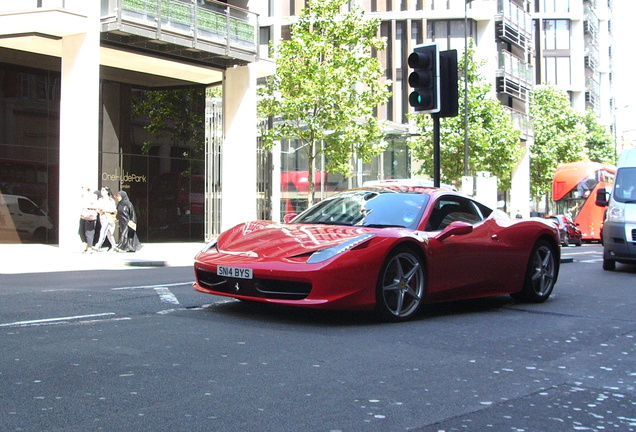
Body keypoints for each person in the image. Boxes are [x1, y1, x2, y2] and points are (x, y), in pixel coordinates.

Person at [94, 186, 117, 251]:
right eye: (101, 190)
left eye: (103, 190)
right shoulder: (100, 200)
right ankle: (114, 246)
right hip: (102, 217)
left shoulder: (110, 200)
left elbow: (113, 209)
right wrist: (99, 211)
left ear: (107, 192)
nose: (102, 192)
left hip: (108, 217)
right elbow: (97, 208)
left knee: (103, 231)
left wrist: (105, 210)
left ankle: (98, 245)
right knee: (108, 233)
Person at [79, 186, 98, 253]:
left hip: (89, 215)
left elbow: (96, 206)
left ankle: (90, 247)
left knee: (89, 232)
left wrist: (87, 206)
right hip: (83, 215)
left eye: (83, 188)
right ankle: (86, 246)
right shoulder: (82, 196)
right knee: (81, 231)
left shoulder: (92, 196)